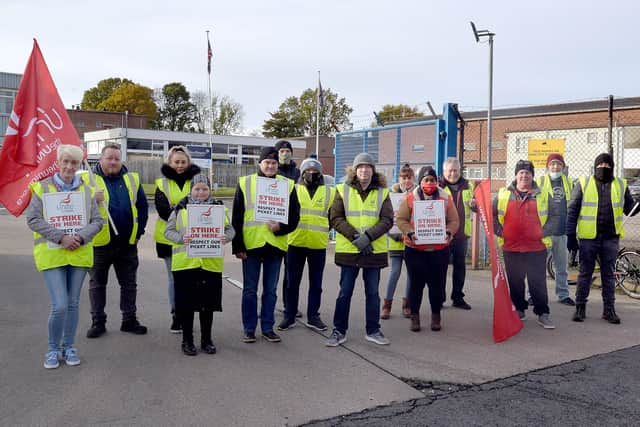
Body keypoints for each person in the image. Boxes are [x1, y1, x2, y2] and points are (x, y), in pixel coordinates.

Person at [26, 145, 104, 369]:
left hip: (78, 254)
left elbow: (98, 221)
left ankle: (69, 346)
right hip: (52, 255)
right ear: (59, 162)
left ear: (79, 165)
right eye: (66, 161)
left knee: (72, 304)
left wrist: (79, 237)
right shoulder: (42, 188)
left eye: (74, 163)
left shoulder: (87, 190)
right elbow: (33, 219)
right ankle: (52, 349)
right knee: (59, 304)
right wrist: (62, 238)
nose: (70, 166)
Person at [231, 146, 300, 343]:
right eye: (267, 162)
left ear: (278, 164)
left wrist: (281, 227)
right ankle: (249, 328)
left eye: (273, 163)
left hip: (275, 246)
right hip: (251, 245)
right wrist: (238, 246)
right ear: (260, 163)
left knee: (270, 290)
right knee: (250, 290)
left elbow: (295, 216)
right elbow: (236, 216)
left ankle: (268, 327)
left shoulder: (288, 185)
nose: (270, 166)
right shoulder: (245, 183)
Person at [325, 153, 393, 347]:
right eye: (360, 167)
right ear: (354, 170)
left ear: (373, 170)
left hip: (373, 251)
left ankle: (373, 330)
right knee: (345, 292)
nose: (364, 170)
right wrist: (357, 238)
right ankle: (339, 331)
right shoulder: (342, 190)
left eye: (368, 166)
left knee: (372, 293)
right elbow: (335, 218)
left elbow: (387, 219)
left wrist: (368, 237)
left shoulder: (382, 192)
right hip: (350, 251)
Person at [82, 144, 149, 338]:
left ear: (121, 161)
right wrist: (90, 198)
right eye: (109, 158)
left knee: (129, 284)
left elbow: (143, 207)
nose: (113, 162)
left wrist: (139, 232)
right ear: (101, 159)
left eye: (116, 159)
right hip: (99, 244)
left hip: (127, 244)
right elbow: (74, 207)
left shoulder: (132, 179)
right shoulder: (87, 179)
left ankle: (129, 320)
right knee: (97, 284)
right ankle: (98, 321)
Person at [164, 174, 234, 356]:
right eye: (197, 189)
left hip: (210, 264)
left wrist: (226, 237)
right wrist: (181, 238)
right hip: (186, 265)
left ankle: (206, 340)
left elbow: (230, 228)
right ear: (191, 190)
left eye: (204, 189)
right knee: (187, 305)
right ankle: (187, 340)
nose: (201, 192)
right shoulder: (180, 208)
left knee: (207, 305)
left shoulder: (219, 208)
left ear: (210, 190)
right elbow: (168, 232)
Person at [567, 153, 638, 324]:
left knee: (608, 275)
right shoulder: (583, 183)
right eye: (601, 165)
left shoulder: (620, 185)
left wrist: (637, 204)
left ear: (612, 167)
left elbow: (630, 210)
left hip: (610, 238)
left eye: (607, 165)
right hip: (588, 238)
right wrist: (570, 234)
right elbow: (573, 210)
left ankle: (609, 310)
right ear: (595, 166)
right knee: (585, 273)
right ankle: (580, 307)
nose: (603, 168)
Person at [493, 160, 555, 329]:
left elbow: (555, 217)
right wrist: (501, 231)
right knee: (515, 281)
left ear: (532, 175)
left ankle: (543, 314)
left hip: (536, 247)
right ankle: (519, 310)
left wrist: (543, 232)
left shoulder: (543, 194)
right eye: (521, 172)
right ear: (515, 175)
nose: (524, 175)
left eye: (527, 173)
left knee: (537, 282)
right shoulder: (503, 194)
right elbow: (491, 214)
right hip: (511, 247)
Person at [396, 166, 459, 332]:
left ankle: (436, 316)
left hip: (439, 250)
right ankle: (415, 317)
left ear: (437, 181)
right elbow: (401, 219)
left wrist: (448, 231)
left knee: (437, 285)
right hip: (415, 250)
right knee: (416, 285)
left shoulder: (445, 198)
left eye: (432, 180)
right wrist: (409, 232)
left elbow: (454, 220)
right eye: (426, 180)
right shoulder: (410, 198)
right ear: (420, 181)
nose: (430, 183)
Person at [277, 158, 335, 332]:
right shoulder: (292, 190)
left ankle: (313, 316)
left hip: (318, 244)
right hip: (295, 242)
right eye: (308, 170)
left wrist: (324, 229)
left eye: (315, 171)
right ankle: (289, 316)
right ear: (302, 173)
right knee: (292, 282)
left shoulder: (329, 192)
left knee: (316, 284)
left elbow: (333, 216)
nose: (312, 173)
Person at [154, 145, 201, 333]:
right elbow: (164, 211)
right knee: (174, 279)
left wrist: (178, 207)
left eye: (183, 162)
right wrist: (188, 209)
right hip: (169, 239)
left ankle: (188, 313)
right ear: (170, 163)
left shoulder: (197, 181)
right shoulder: (161, 184)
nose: (180, 165)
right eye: (176, 162)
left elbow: (204, 204)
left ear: (188, 162)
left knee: (191, 279)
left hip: (195, 238)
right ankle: (177, 316)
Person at [535, 153, 575, 306]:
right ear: (547, 167)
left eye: (558, 164)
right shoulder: (539, 182)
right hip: (543, 233)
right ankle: (534, 295)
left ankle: (563, 294)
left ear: (563, 166)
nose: (555, 167)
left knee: (561, 267)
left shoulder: (569, 183)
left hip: (562, 231)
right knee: (537, 267)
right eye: (552, 164)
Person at [439, 157, 475, 310]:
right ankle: (439, 299)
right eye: (450, 171)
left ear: (460, 171)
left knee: (460, 268)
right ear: (444, 172)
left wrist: (476, 205)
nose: (453, 174)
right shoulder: (437, 186)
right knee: (440, 268)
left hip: (461, 234)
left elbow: (477, 207)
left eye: (455, 170)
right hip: (442, 235)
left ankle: (458, 297)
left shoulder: (469, 186)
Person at [381, 163, 415, 319]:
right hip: (395, 241)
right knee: (394, 272)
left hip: (411, 241)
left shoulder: (417, 194)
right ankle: (387, 305)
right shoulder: (391, 194)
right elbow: (388, 218)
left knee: (411, 274)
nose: (406, 181)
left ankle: (406, 304)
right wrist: (395, 235)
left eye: (409, 178)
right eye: (404, 177)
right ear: (399, 178)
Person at [274, 139, 301, 317]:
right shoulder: (271, 170)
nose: (285, 153)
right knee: (272, 271)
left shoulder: (297, 172)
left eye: (287, 150)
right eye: (282, 150)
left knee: (289, 273)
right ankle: (269, 304)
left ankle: (289, 306)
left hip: (291, 227)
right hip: (273, 225)